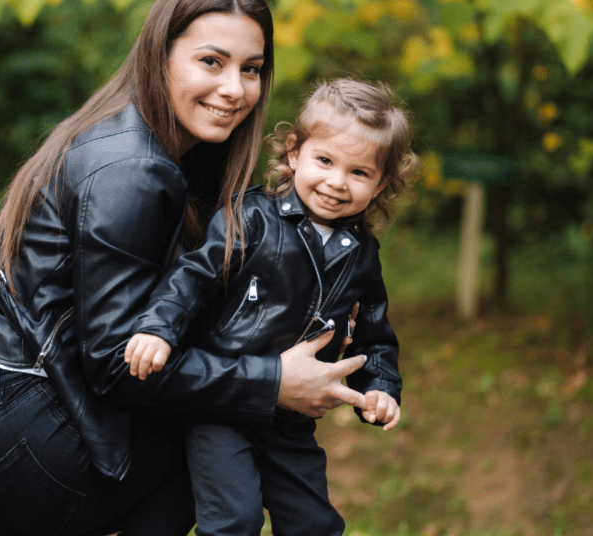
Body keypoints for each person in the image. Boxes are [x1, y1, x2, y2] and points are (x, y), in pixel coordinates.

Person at [0, 0, 371, 536]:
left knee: (210, 425)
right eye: (211, 61)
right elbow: (115, 364)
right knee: (209, 447)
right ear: (161, 55)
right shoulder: (133, 170)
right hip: (1, 424)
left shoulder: (151, 147)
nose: (235, 88)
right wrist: (271, 382)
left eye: (251, 69)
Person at [124, 78, 420, 536]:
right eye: (325, 161)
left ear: (381, 184)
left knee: (313, 523)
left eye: (359, 173)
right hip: (222, 405)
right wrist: (157, 328)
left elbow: (375, 334)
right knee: (235, 520)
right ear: (295, 151)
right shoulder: (250, 218)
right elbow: (192, 278)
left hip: (293, 419)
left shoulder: (362, 254)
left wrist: (379, 385)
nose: (337, 182)